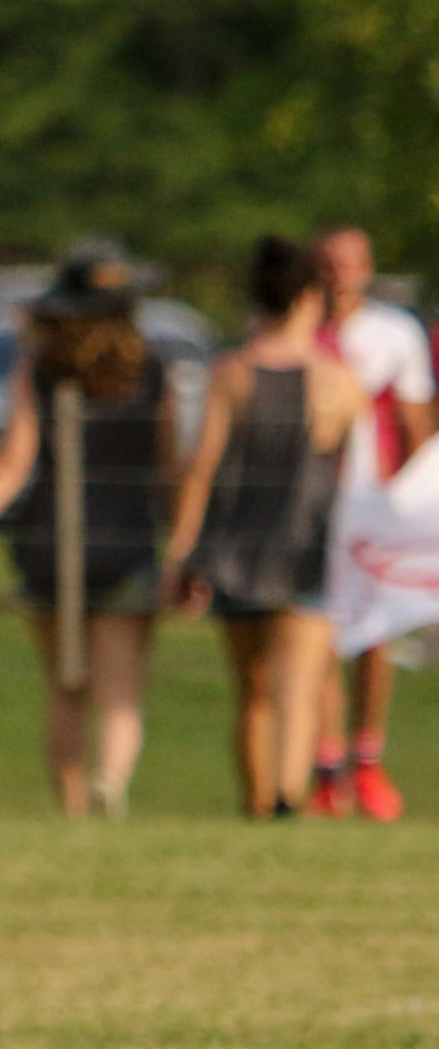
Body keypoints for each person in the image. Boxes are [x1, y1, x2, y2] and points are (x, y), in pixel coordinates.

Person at [0, 241, 173, 818]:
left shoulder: (43, 370)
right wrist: (183, 544)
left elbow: (13, 461)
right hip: (126, 543)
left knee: (66, 686)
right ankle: (110, 782)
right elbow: (169, 466)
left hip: (50, 543)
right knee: (119, 691)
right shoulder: (150, 371)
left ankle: (72, 810)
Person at [164, 237, 364, 818]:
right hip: (308, 550)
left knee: (251, 689)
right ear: (309, 297)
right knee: (298, 689)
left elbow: (201, 469)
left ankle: (256, 803)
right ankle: (287, 798)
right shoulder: (336, 380)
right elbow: (357, 473)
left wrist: (182, 551)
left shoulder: (232, 374)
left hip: (237, 551)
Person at [309, 226, 435, 819]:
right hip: (309, 508)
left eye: (350, 263)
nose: (340, 275)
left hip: (371, 508)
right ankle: (324, 763)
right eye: (329, 263)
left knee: (373, 634)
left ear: (367, 267)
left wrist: (402, 505)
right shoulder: (300, 329)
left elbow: (414, 423)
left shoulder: (394, 332)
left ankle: (367, 757)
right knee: (313, 632)